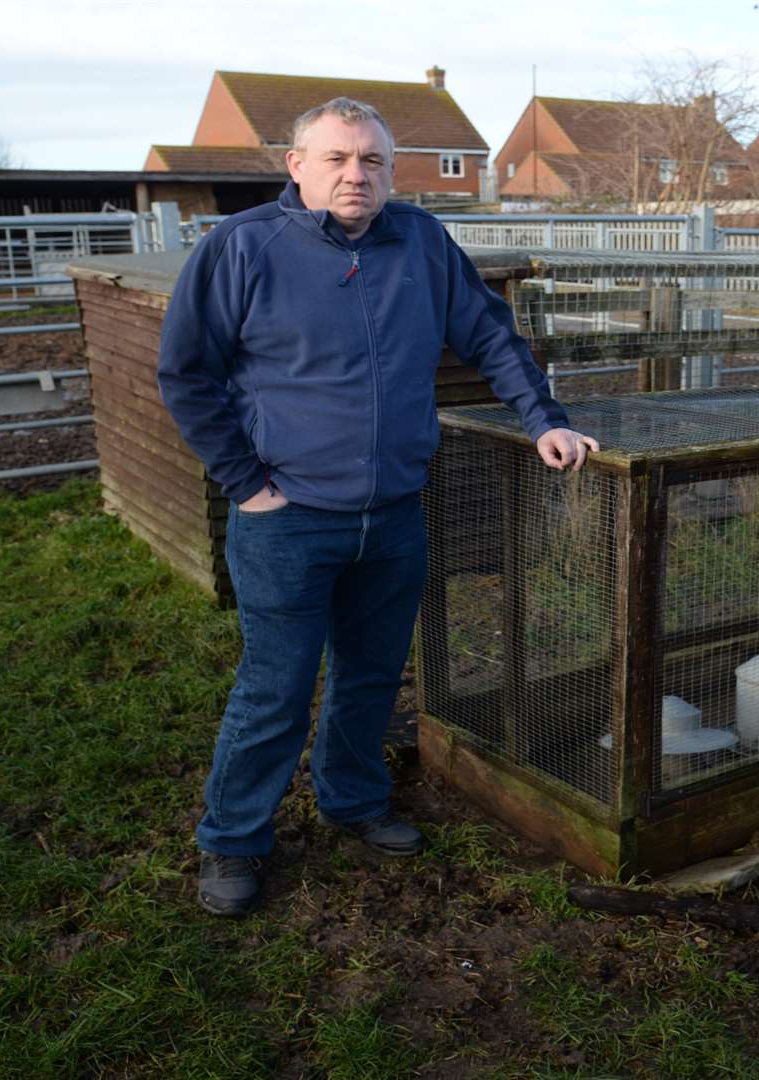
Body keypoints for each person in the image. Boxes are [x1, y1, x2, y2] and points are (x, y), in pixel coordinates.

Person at [157, 97, 598, 917]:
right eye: (337, 159)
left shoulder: (421, 241)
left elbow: (491, 334)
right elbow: (186, 374)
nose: (357, 175)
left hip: (394, 511)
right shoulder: (243, 247)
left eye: (373, 161)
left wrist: (545, 419)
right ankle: (232, 839)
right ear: (297, 165)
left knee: (369, 677)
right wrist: (247, 484)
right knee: (275, 687)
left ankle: (353, 802)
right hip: (288, 516)